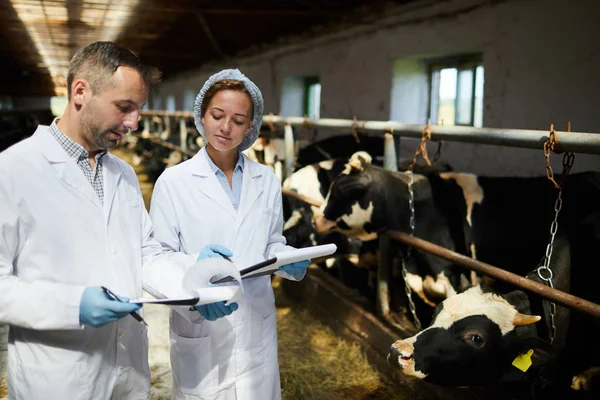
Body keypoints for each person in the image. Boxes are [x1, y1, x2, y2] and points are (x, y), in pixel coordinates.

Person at [0, 41, 208, 399]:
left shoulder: (124, 175)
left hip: (127, 372)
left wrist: (195, 283)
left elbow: (146, 254)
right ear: (80, 91)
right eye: (124, 107)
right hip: (59, 378)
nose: (134, 123)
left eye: (138, 109)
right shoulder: (13, 171)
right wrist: (73, 306)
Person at [149, 69, 311, 399]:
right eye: (217, 116)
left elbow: (271, 242)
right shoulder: (173, 181)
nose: (226, 128)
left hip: (256, 325)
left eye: (238, 120)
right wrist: (196, 270)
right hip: (203, 326)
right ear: (201, 116)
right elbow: (158, 257)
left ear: (251, 126)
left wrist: (287, 261)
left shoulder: (265, 180)